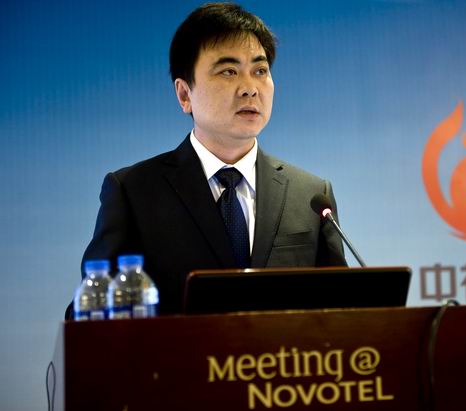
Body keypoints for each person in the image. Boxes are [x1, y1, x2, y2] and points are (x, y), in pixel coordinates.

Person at [71, 2, 346, 318]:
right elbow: (91, 314)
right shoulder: (134, 192)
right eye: (229, 71)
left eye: (260, 71)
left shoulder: (310, 196)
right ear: (184, 94)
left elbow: (344, 311)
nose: (250, 88)